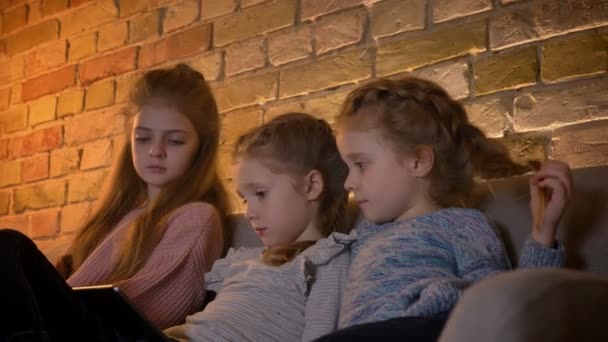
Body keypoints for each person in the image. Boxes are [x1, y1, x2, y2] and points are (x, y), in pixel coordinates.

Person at [316, 77, 572, 341]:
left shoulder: (463, 224)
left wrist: (543, 231)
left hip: (428, 324)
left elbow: (502, 304)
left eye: (360, 164)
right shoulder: (362, 233)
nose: (349, 182)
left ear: (418, 161)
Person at [0, 63, 230, 341]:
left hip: (118, 334)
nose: (155, 151)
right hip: (78, 324)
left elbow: (154, 308)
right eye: (142, 138)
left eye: (175, 141)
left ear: (201, 147)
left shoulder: (198, 216)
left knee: (8, 245)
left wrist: (49, 298)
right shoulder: (116, 217)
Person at [164, 113, 353, 342]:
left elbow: (321, 334)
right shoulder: (246, 260)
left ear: (311, 186)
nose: (249, 213)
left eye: (261, 194)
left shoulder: (326, 262)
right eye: (245, 199)